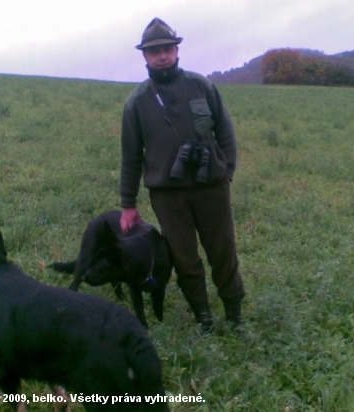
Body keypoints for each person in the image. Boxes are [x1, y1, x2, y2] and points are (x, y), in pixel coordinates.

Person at [118, 17, 245, 335]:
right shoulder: (137, 103)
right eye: (154, 51)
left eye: (167, 49)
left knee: (223, 251)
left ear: (177, 51)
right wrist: (128, 203)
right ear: (145, 57)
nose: (161, 55)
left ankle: (235, 314)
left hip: (211, 188)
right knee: (184, 258)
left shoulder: (201, 86)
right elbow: (131, 157)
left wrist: (227, 171)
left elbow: (226, 132)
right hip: (167, 195)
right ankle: (203, 316)